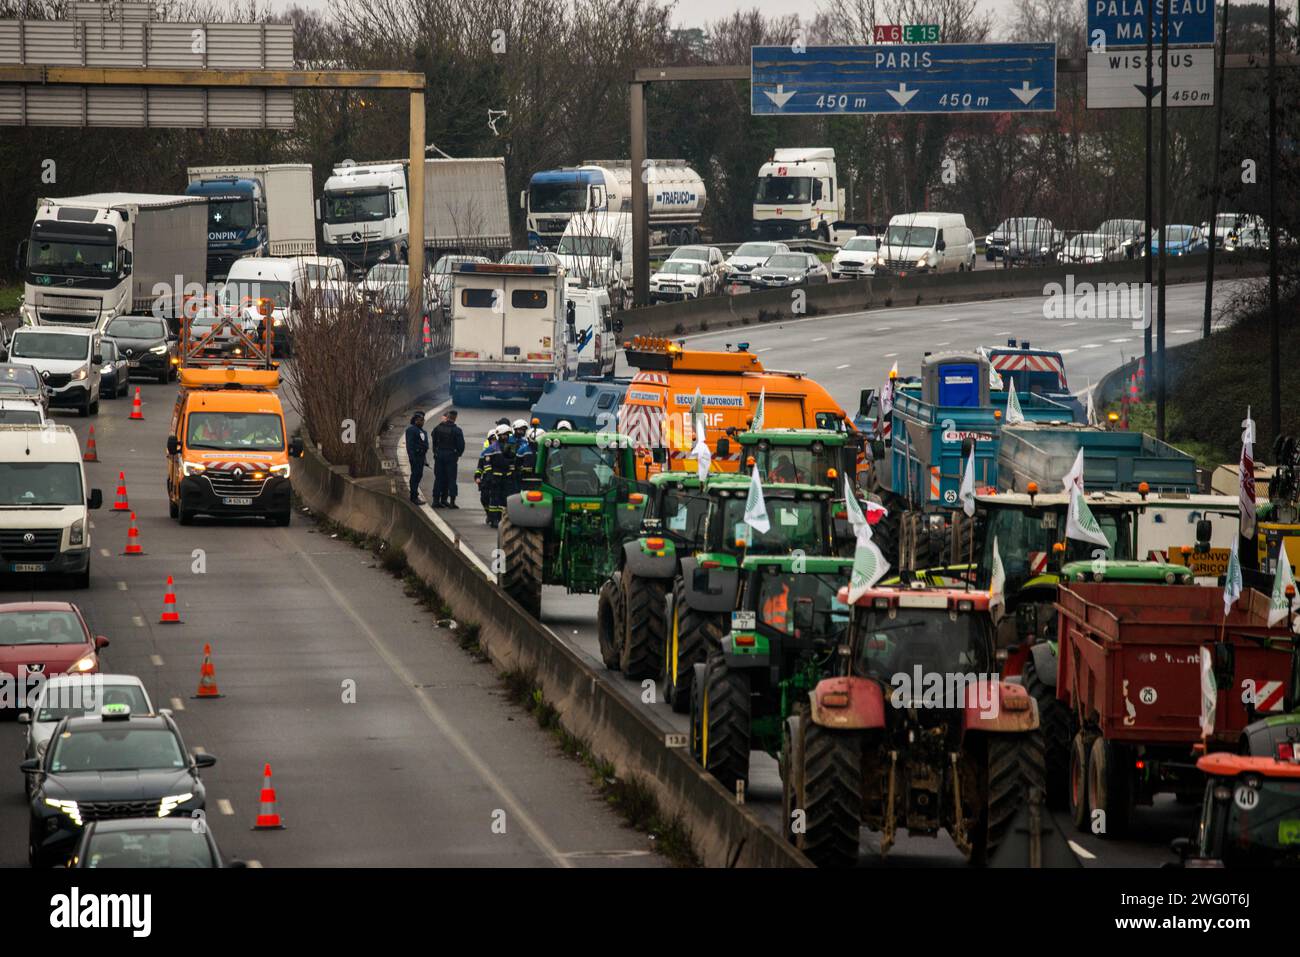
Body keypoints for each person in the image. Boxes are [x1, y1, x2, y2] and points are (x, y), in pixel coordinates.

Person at [430, 409, 465, 508]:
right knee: (451, 478)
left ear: (448, 417)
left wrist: (435, 452)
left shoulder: (438, 427)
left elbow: (434, 439)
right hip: (451, 455)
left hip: (439, 454)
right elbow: (461, 445)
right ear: (455, 418)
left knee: (439, 478)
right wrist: (457, 455)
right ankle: (451, 501)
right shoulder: (457, 430)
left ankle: (436, 500)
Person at [479, 424, 511, 528]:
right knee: (494, 499)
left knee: (503, 499)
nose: (506, 437)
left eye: (507, 435)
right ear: (499, 435)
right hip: (495, 478)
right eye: (504, 435)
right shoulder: (492, 448)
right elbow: (487, 464)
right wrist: (490, 477)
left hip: (506, 478)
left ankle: (502, 519)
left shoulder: (509, 447)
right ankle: (493, 519)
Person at [405, 411, 429, 505]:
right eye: (420, 420)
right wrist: (412, 457)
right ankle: (414, 496)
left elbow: (424, 446)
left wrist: (425, 459)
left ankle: (415, 495)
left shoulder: (422, 431)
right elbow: (409, 445)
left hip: (421, 457)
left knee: (419, 475)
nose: (423, 422)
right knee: (415, 476)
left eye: (423, 420)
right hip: (415, 457)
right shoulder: (411, 430)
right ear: (415, 420)